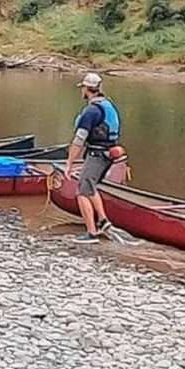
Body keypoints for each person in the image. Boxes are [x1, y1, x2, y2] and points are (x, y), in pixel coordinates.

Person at [64, 72, 120, 244]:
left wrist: (69, 162)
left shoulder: (91, 111)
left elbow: (79, 140)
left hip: (97, 155)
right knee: (91, 187)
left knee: (82, 192)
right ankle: (103, 221)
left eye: (83, 89)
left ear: (87, 90)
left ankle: (91, 233)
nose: (82, 92)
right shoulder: (107, 104)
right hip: (107, 154)